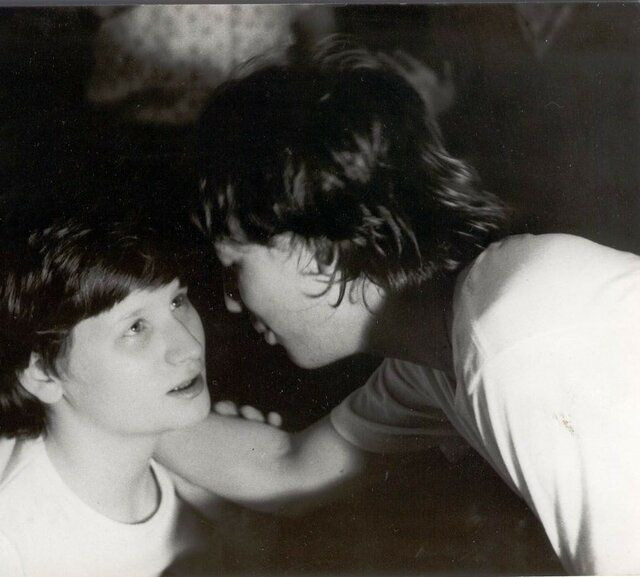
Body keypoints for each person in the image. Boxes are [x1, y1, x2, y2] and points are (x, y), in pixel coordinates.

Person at [156, 44, 640, 575]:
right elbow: (288, 467)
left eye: (235, 266)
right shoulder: (439, 350)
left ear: (319, 255)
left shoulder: (509, 341)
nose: (230, 299)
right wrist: (105, 400)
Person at [0, 185, 241, 577]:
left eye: (177, 301)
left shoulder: (200, 486)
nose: (188, 345)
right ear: (42, 372)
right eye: (135, 327)